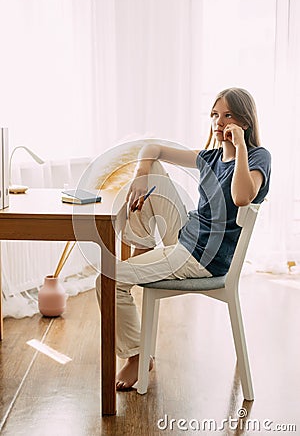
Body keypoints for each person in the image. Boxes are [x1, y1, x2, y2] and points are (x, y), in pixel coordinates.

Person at [96, 87, 271, 391]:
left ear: (245, 120)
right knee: (153, 171)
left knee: (107, 280)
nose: (219, 121)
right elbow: (151, 147)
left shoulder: (258, 157)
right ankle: (145, 248)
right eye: (215, 114)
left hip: (204, 257)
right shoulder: (209, 157)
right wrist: (141, 170)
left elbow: (242, 196)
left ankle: (139, 355)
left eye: (228, 115)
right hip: (186, 236)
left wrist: (240, 146)